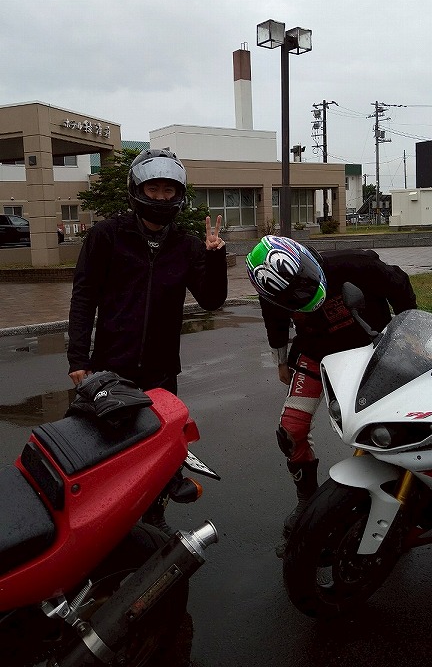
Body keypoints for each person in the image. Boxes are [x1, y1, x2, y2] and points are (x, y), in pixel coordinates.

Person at [246, 235, 417, 555]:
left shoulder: (356, 263)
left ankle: (397, 493)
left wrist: (408, 333)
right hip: (317, 354)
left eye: (303, 284)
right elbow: (275, 323)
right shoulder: (272, 295)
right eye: (290, 296)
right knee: (290, 430)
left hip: (373, 347)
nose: (301, 296)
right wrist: (281, 361)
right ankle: (308, 500)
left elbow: (399, 284)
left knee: (389, 426)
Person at [67, 148, 227, 395]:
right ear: (137, 190)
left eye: (168, 190)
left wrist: (215, 257)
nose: (161, 198)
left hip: (162, 372)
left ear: (179, 194)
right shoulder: (108, 235)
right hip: (110, 369)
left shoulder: (186, 245)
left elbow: (211, 301)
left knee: (163, 422)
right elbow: (83, 298)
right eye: (153, 189)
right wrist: (78, 357)